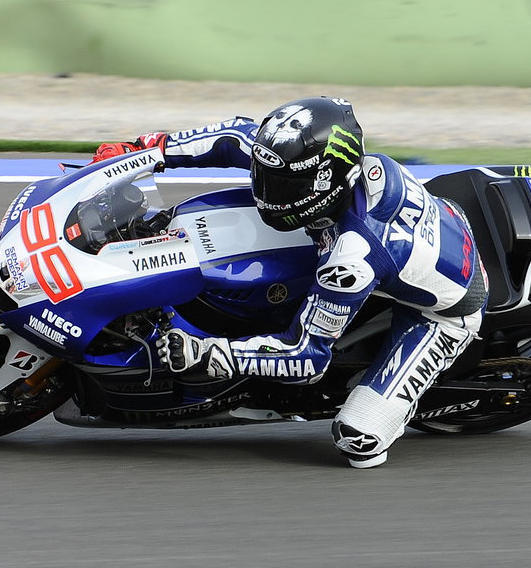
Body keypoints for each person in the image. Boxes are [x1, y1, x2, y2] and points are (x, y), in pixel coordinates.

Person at [94, 97, 488, 469]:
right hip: (418, 234)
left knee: (357, 439)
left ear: (325, 184)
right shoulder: (302, 158)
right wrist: (138, 152)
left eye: (282, 186)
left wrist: (210, 352)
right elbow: (232, 136)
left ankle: (392, 403)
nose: (265, 193)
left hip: (443, 313)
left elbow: (306, 357)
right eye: (263, 176)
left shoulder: (353, 258)